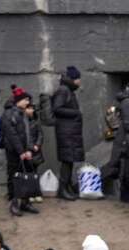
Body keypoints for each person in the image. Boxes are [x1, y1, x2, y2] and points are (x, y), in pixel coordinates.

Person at [1, 85, 41, 216]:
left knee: (27, 175)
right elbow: (11, 135)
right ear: (19, 100)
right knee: (14, 176)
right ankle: (14, 204)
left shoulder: (22, 113)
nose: (28, 103)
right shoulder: (8, 114)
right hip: (13, 152)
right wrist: (21, 151)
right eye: (26, 100)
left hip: (25, 152)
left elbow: (28, 133)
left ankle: (26, 202)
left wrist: (29, 149)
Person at [52, 66, 84, 201]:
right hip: (66, 132)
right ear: (72, 79)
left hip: (70, 131)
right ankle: (62, 189)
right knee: (66, 161)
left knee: (70, 161)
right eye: (78, 79)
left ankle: (68, 188)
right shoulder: (63, 90)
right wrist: (76, 113)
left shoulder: (68, 90)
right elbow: (57, 108)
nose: (79, 82)